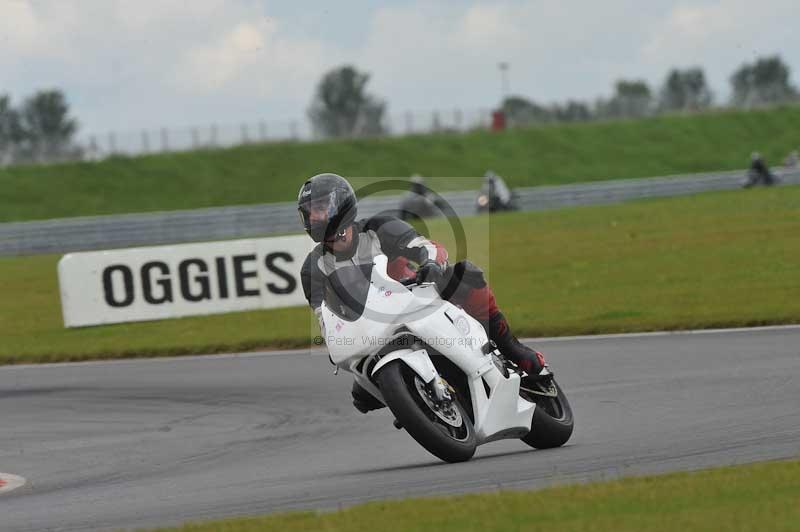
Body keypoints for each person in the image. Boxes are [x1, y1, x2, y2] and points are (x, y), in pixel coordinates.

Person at [298, 173, 550, 414]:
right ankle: (415, 401)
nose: (315, 216)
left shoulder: (378, 227)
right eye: (309, 211)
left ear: (341, 204)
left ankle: (511, 347)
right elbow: (324, 317)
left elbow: (426, 247)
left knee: (464, 275)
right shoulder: (313, 267)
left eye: (320, 207)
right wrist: (332, 341)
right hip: (372, 332)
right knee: (360, 397)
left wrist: (430, 264)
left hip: (415, 299)